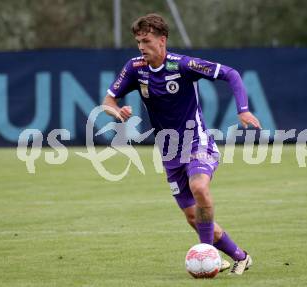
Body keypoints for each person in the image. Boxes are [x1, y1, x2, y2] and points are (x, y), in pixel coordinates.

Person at [103, 13, 261, 275]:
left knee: (199, 186)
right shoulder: (135, 68)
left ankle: (205, 255)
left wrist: (242, 109)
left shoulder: (183, 65)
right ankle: (240, 257)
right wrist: (117, 112)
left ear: (162, 40)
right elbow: (108, 102)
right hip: (168, 150)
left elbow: (231, 74)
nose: (141, 46)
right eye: (138, 42)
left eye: (146, 40)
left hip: (197, 141)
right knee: (192, 217)